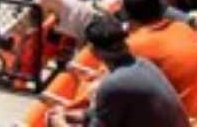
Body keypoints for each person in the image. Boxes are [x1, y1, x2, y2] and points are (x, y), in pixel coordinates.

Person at [45, 16, 187, 127]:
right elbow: (102, 116)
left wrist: (58, 122)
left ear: (94, 52)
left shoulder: (114, 84)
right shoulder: (144, 64)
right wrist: (68, 116)